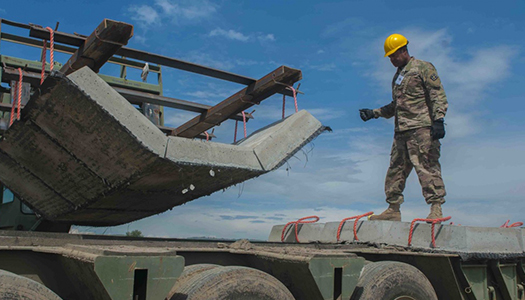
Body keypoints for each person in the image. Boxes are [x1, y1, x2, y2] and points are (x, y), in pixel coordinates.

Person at [359, 33, 448, 221]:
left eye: (394, 55)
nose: (391, 59)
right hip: (401, 131)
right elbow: (396, 105)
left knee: (426, 167)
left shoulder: (423, 67)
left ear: (404, 50)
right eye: (389, 57)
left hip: (422, 129)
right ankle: (393, 209)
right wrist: (373, 113)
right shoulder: (398, 76)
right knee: (396, 169)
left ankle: (436, 208)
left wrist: (439, 120)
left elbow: (437, 94)